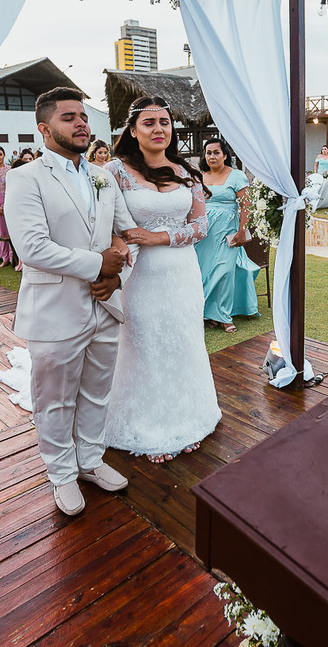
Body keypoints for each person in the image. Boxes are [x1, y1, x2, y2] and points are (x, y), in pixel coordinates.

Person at [4, 87, 136, 517]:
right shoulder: (26, 179)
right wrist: (99, 264)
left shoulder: (103, 176)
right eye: (68, 117)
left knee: (98, 392)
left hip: (104, 305)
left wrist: (114, 273)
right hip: (55, 308)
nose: (81, 123)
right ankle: (61, 473)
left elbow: (124, 234)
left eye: (83, 116)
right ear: (44, 129)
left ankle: (90, 460)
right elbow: (33, 248)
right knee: (55, 398)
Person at [104, 96, 221, 464]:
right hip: (140, 275)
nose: (159, 129)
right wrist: (120, 244)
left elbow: (201, 225)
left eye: (165, 123)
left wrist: (159, 237)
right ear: (134, 130)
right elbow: (103, 223)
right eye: (149, 123)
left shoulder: (187, 171)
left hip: (182, 273)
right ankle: (151, 425)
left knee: (184, 339)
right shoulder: (115, 171)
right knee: (144, 342)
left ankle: (189, 417)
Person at [196, 137, 259, 333]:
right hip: (204, 232)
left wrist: (242, 231)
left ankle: (224, 315)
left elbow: (246, 206)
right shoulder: (199, 176)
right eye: (208, 153)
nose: (212, 156)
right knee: (204, 272)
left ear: (225, 155)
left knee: (224, 272)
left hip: (227, 231)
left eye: (216, 152)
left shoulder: (236, 175)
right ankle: (208, 313)